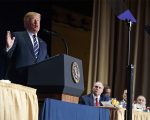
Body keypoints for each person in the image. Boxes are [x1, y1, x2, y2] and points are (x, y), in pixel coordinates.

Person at [5, 12, 49, 84]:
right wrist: (8, 48)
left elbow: (47, 63)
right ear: (26, 23)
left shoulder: (43, 44)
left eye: (38, 20)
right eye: (33, 20)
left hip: (38, 84)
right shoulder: (17, 36)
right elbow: (7, 57)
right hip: (18, 82)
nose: (36, 22)